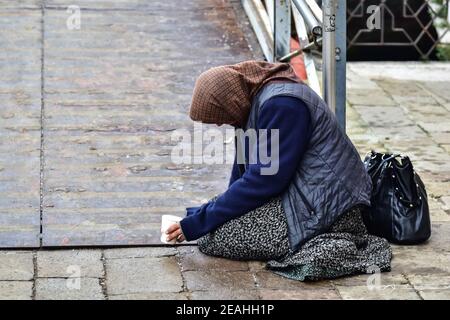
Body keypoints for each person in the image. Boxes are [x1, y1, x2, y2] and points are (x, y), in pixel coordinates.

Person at [164, 60, 391, 281]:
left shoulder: (282, 105)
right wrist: (204, 215)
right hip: (300, 190)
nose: (221, 125)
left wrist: (202, 222)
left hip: (328, 204)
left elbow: (264, 180)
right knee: (208, 220)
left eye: (220, 119)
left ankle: (334, 240)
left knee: (213, 238)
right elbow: (243, 172)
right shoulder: (252, 101)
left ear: (230, 102)